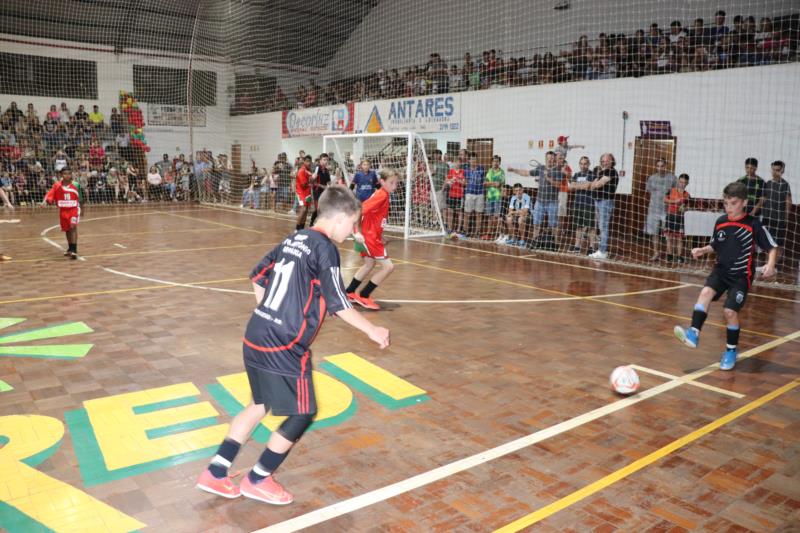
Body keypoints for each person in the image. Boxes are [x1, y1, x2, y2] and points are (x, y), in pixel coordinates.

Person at [196, 185, 390, 504]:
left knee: (259, 404)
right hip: (284, 345)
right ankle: (258, 479)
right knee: (303, 413)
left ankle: (215, 472)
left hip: (257, 333)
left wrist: (268, 311)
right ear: (339, 218)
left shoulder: (294, 237)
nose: (353, 231)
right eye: (352, 223)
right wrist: (372, 330)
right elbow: (339, 302)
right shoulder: (325, 248)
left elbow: (258, 276)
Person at [674, 181, 777, 370]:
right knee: (705, 293)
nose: (729, 207)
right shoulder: (721, 221)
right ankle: (693, 333)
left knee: (730, 312)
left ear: (744, 203)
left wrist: (770, 264)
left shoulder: (753, 224)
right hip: (720, 270)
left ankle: (731, 351)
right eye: (726, 203)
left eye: (734, 203)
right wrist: (703, 250)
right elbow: (716, 244)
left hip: (741, 276)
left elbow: (772, 247)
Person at [345, 169, 399, 311]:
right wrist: (356, 231)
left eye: (396, 183)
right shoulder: (381, 195)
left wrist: (379, 233)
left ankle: (350, 292)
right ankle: (364, 294)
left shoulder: (383, 194)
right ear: (382, 182)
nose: (395, 186)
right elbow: (360, 210)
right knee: (388, 267)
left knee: (369, 264)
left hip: (369, 235)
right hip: (368, 238)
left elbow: (373, 217)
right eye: (391, 183)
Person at [569, 153, 619, 259]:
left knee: (603, 227)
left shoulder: (611, 171)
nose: (604, 162)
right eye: (602, 160)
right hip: (597, 201)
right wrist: (587, 185)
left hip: (605, 202)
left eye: (606, 160)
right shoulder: (601, 172)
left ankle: (603, 251)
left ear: (611, 161)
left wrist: (585, 185)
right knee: (600, 227)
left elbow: (597, 184)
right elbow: (575, 186)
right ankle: (600, 250)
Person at [508, 151, 561, 249]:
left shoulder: (558, 170)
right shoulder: (541, 168)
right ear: (545, 159)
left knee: (553, 225)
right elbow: (526, 173)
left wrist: (548, 177)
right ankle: (535, 241)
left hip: (552, 202)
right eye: (548, 158)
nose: (550, 160)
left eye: (552, 158)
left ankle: (555, 244)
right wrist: (514, 170)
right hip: (540, 201)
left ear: (554, 159)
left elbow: (558, 185)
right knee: (536, 223)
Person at [42, 168, 82, 259]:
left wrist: (81, 209)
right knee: (67, 229)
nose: (67, 175)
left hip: (74, 209)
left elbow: (81, 198)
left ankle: (74, 250)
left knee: (73, 227)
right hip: (63, 210)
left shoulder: (76, 185)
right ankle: (70, 248)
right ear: (61, 175)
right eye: (65, 174)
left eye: (69, 174)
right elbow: (49, 194)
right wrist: (45, 202)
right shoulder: (57, 185)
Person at [645, 158, 677, 261]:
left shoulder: (672, 178)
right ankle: (656, 253)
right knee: (654, 233)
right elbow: (649, 192)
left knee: (668, 233)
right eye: (658, 166)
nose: (660, 168)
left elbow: (676, 193)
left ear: (666, 166)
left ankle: (669, 254)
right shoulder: (651, 178)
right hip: (653, 210)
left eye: (662, 166)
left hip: (666, 210)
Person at [760, 161, 792, 263]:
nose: (774, 172)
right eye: (773, 169)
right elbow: (763, 199)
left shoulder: (785, 185)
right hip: (767, 217)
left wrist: (786, 217)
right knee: (766, 241)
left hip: (779, 218)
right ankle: (766, 263)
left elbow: (788, 202)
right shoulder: (768, 183)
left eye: (777, 170)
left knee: (778, 241)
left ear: (782, 171)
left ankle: (774, 264)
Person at [570, 156, 597, 254]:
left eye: (585, 163)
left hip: (589, 204)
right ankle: (577, 246)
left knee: (591, 227)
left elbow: (590, 186)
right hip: (578, 204)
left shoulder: (593, 175)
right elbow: (572, 187)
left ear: (589, 164)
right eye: (581, 163)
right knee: (578, 226)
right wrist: (584, 185)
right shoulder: (576, 174)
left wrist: (579, 185)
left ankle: (591, 247)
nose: (583, 166)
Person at [664, 173, 691, 263]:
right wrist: (674, 201)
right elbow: (665, 200)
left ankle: (679, 257)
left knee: (680, 238)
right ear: (678, 182)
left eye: (684, 182)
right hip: (670, 216)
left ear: (687, 183)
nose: (682, 184)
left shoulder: (687, 195)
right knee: (669, 237)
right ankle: (670, 256)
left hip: (680, 217)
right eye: (681, 182)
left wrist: (685, 208)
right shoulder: (671, 190)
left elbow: (688, 206)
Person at [462, 152, 485, 237]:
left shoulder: (481, 169)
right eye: (471, 159)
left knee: (478, 213)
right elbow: (465, 181)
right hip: (469, 193)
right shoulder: (466, 170)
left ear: (477, 160)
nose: (473, 161)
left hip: (480, 193)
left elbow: (484, 181)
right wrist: (462, 182)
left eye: (475, 159)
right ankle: (465, 231)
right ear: (469, 160)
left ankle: (477, 232)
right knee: (467, 213)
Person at [483, 155, 506, 240]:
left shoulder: (502, 172)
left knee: (497, 216)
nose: (495, 163)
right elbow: (485, 183)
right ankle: (489, 234)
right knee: (489, 216)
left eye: (497, 161)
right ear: (491, 162)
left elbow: (499, 184)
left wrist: (491, 183)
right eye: (494, 161)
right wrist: (493, 183)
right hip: (489, 197)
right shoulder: (489, 171)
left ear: (499, 163)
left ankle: (497, 234)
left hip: (497, 197)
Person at [444, 160, 465, 237]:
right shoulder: (451, 171)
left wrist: (458, 180)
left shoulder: (462, 171)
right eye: (455, 162)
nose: (457, 163)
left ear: (460, 163)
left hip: (459, 195)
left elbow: (464, 183)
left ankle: (459, 229)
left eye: (458, 162)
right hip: (451, 194)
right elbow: (447, 181)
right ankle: (450, 228)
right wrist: (450, 181)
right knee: (450, 212)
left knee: (459, 212)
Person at [309, 154, 332, 226]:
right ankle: (312, 223)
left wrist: (332, 185)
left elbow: (328, 182)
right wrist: (321, 186)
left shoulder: (326, 171)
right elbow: (312, 182)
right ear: (320, 161)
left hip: (324, 192)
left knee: (323, 208)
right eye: (324, 160)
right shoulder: (317, 169)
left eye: (327, 160)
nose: (326, 161)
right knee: (318, 209)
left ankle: (317, 223)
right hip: (317, 192)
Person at [294, 155, 314, 230]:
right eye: (307, 161)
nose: (309, 163)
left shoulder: (309, 171)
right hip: (301, 193)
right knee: (303, 210)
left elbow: (311, 182)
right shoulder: (301, 171)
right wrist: (312, 180)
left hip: (307, 193)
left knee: (306, 212)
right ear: (304, 162)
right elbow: (303, 184)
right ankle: (296, 229)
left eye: (310, 162)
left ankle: (301, 229)